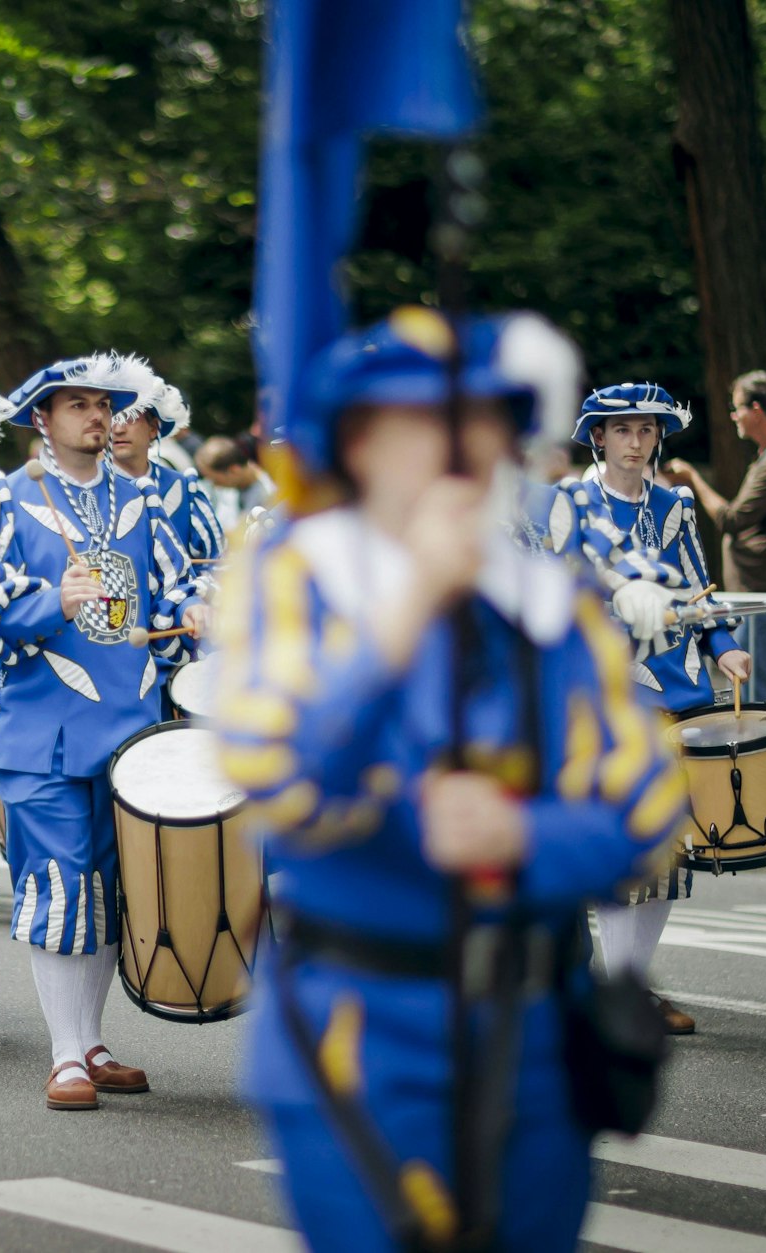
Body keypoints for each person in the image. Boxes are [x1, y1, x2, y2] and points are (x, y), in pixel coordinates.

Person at [212, 311, 684, 1252]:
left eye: (482, 425)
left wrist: (524, 839)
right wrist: (410, 603)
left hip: (535, 1036)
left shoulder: (552, 604)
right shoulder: (289, 578)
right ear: (357, 443)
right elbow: (279, 776)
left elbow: (648, 809)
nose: (461, 452)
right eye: (422, 425)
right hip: (359, 1036)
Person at [0, 354, 205, 1111]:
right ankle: (64, 1054)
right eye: (79, 405)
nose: (99, 417)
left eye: (105, 404)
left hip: (130, 734)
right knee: (58, 885)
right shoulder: (7, 498)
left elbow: (177, 587)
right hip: (40, 732)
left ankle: (90, 1042)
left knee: (104, 893)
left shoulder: (141, 500)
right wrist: (49, 603)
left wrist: (198, 615)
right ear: (42, 418)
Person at [562, 383, 747, 1035]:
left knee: (667, 858)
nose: (637, 443)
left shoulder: (676, 505)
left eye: (646, 431)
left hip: (681, 694)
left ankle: (627, 986)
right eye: (623, 431)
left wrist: (724, 646)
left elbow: (700, 591)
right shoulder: (571, 508)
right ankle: (613, 993)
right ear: (599, 438)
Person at [665, 370, 766, 702]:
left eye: (737, 408)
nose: (733, 416)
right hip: (755, 590)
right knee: (754, 688)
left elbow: (732, 519)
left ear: (756, 410)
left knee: (762, 692)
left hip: (762, 594)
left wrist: (692, 478)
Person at [107, 364, 225, 564]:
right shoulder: (90, 490)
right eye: (112, 418)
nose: (118, 429)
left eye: (130, 418)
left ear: (153, 429)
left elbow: (213, 563)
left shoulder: (186, 489)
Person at [197, 433, 276, 537]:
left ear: (234, 471)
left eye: (216, 480)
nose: (214, 485)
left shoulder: (269, 494)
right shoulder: (230, 486)